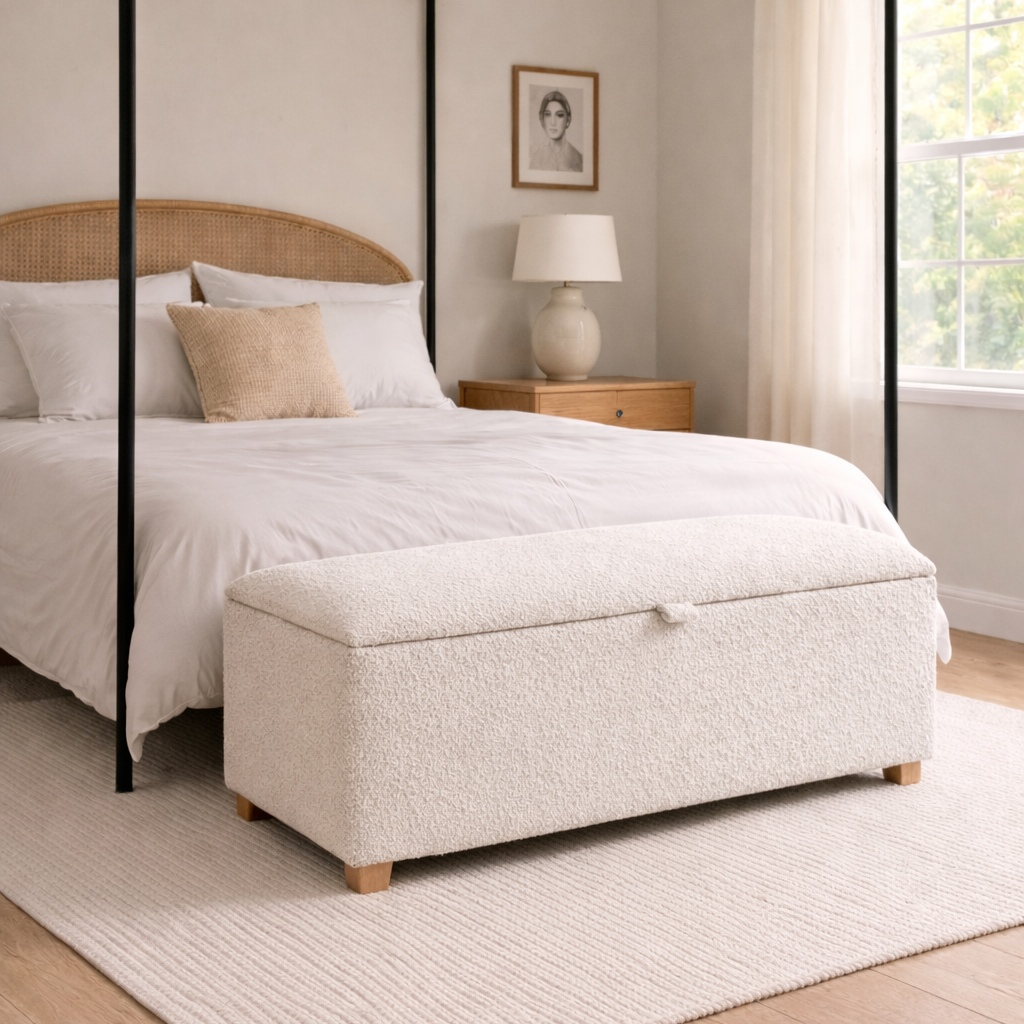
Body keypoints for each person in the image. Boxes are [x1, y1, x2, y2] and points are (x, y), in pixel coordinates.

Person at [529, 90, 583, 172]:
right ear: (542, 119)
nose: (553, 122)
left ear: (568, 119)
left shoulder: (579, 160)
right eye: (547, 114)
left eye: (559, 115)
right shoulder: (537, 159)